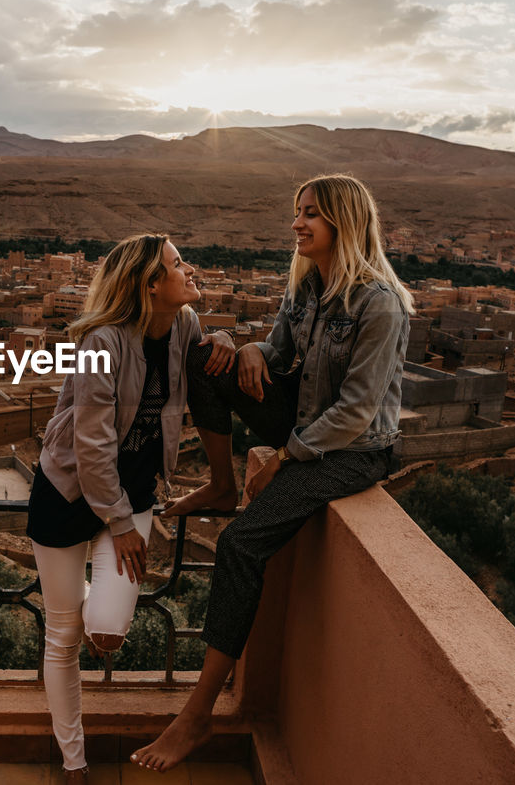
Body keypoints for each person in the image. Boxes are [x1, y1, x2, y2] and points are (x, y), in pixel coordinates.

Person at [132, 173, 414, 772]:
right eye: (297, 212)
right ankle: (220, 482)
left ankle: (198, 713)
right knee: (207, 358)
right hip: (303, 424)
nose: (297, 223)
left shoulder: (378, 304)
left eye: (311, 213)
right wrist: (250, 346)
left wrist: (287, 456)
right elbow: (279, 352)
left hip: (352, 450)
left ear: (345, 220)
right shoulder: (308, 288)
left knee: (239, 544)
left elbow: (358, 411)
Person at [26, 234, 235, 784]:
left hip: (134, 493)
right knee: (64, 636)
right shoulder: (102, 341)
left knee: (109, 629)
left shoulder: (184, 326)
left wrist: (227, 339)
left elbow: (206, 361)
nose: (189, 269)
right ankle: (73, 760)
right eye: (176, 264)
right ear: (148, 285)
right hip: (68, 493)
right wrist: (119, 526)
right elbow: (92, 447)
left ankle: (93, 594)